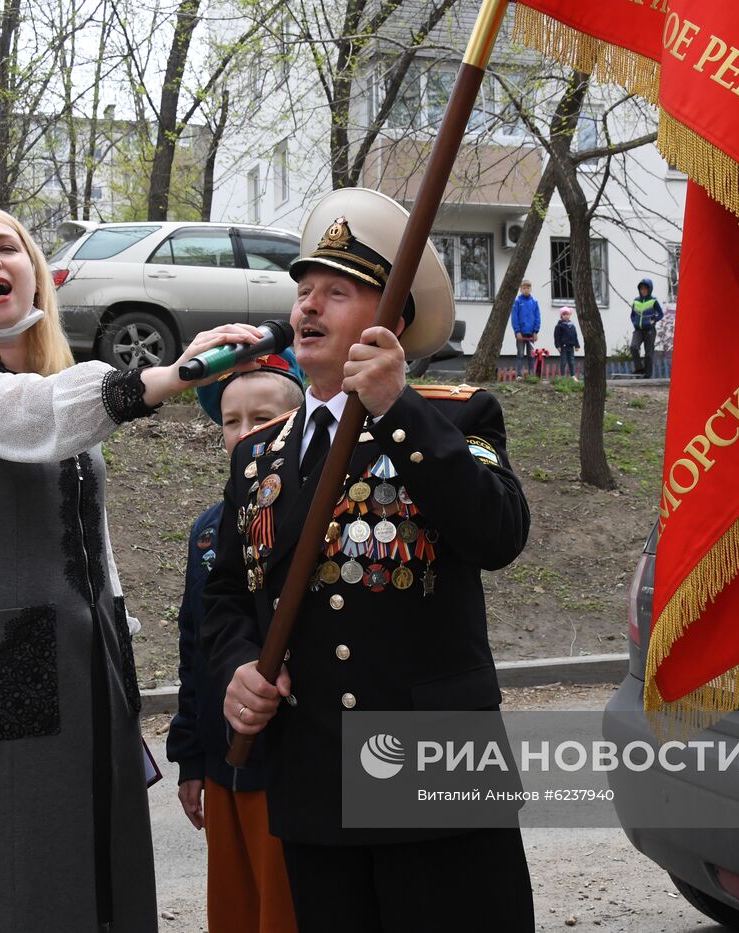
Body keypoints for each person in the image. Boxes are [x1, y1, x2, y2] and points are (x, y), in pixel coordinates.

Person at [0, 204, 266, 933]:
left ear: (35, 273)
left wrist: (117, 654)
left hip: (83, 662)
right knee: (4, 872)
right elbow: (29, 414)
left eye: (8, 247)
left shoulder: (60, 390)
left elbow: (96, 545)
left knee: (96, 860)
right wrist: (171, 373)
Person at [202, 188, 535, 931]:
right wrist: (239, 666)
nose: (308, 306)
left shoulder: (456, 415)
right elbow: (226, 591)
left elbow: (499, 533)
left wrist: (396, 409)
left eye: (337, 292)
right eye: (303, 290)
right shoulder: (259, 455)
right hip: (314, 775)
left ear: (392, 322)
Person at [167, 352, 305, 933]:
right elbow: (196, 644)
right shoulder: (209, 529)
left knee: (288, 909)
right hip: (225, 762)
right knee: (236, 912)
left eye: (264, 418)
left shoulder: (317, 512)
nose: (246, 433)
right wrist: (191, 757)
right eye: (232, 421)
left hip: (291, 765)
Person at [629, 277, 664, 379]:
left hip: (649, 330)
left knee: (648, 354)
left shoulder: (653, 301)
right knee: (633, 347)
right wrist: (634, 322)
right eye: (642, 289)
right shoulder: (636, 301)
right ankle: (639, 369)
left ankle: (647, 374)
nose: (643, 290)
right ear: (639, 290)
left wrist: (654, 320)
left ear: (649, 289)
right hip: (638, 330)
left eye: (645, 289)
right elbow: (632, 315)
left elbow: (661, 314)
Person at [510, 278, 540, 377]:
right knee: (520, 354)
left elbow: (537, 317)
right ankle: (519, 375)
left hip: (531, 333)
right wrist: (517, 331)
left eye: (528, 288)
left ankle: (531, 375)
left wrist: (536, 331)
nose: (526, 290)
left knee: (531, 355)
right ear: (520, 289)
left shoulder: (534, 302)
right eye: (524, 288)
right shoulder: (517, 302)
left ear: (531, 289)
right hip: (521, 333)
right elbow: (514, 318)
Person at [553, 305, 580, 378]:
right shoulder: (559, 326)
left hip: (571, 346)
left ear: (570, 315)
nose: (566, 316)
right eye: (564, 314)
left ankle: (573, 375)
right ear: (561, 316)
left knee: (571, 361)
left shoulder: (572, 326)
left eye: (567, 314)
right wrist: (557, 346)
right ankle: (562, 376)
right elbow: (556, 337)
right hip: (563, 347)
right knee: (563, 362)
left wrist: (577, 345)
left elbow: (575, 336)